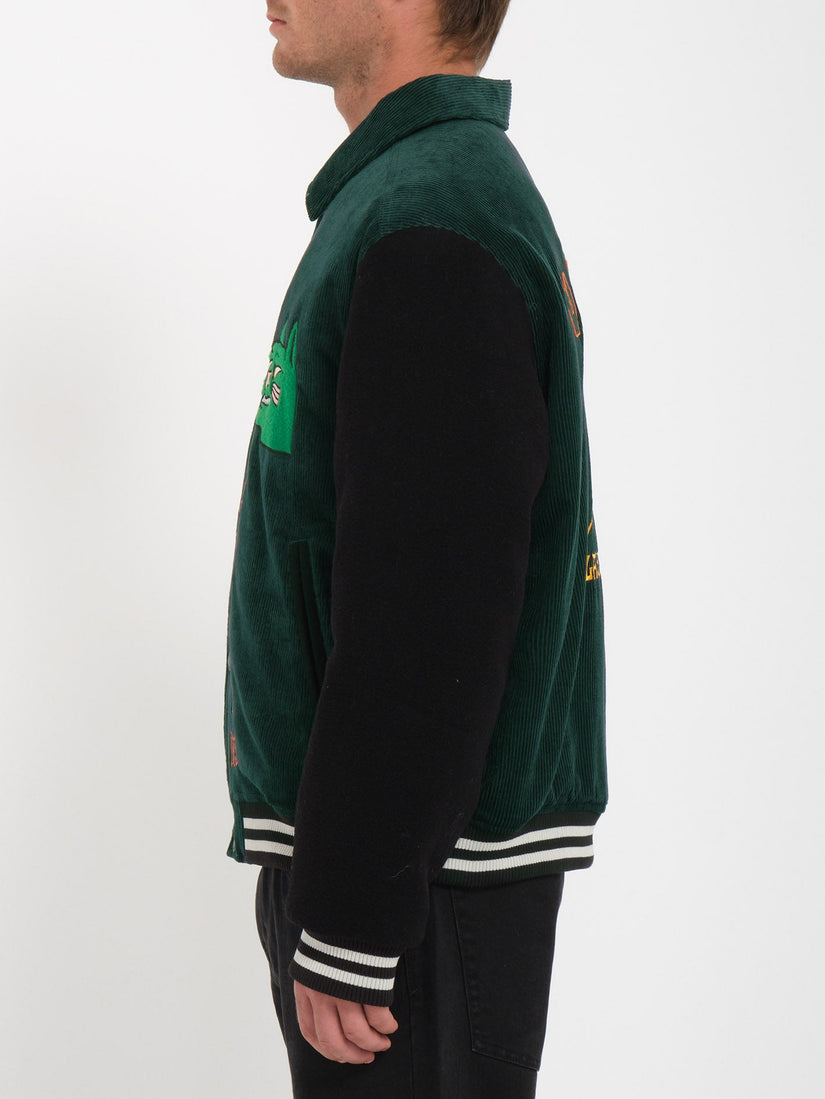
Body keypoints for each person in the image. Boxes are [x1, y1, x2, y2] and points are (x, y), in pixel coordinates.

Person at [222, 2, 608, 1095]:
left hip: (421, 878)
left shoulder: (432, 217)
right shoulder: (415, 198)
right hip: (411, 863)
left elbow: (430, 600)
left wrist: (355, 908)